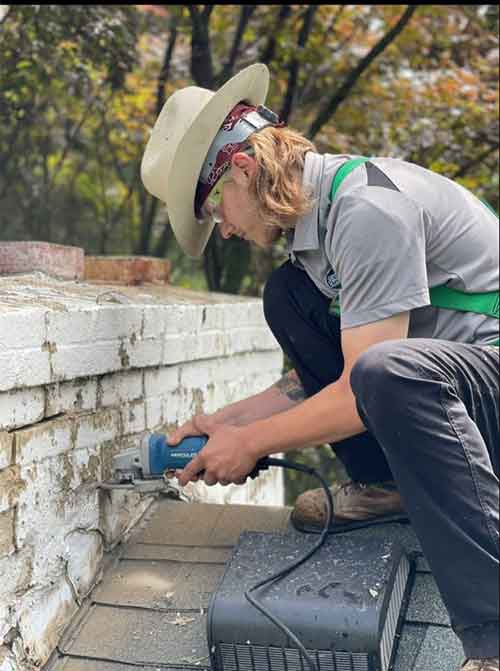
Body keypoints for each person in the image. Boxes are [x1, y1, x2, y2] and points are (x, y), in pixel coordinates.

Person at [141, 63, 499, 671]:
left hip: (482, 403)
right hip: (444, 394)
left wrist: (248, 443)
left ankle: (491, 638)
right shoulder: (317, 233)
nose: (223, 229)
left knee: (387, 372)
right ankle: (390, 487)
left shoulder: (367, 212)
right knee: (286, 297)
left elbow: (363, 386)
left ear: (244, 170)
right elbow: (317, 380)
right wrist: (219, 424)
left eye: (214, 208)